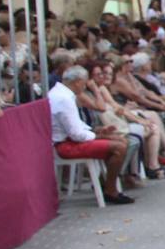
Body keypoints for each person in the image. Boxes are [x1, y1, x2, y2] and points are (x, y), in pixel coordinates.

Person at [50, 66, 134, 205]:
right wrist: (98, 135)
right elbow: (76, 134)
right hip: (64, 145)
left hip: (69, 139)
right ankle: (110, 190)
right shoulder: (64, 98)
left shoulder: (62, 94)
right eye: (84, 83)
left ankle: (107, 184)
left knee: (120, 141)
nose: (84, 87)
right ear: (77, 82)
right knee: (119, 146)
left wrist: (98, 131)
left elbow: (76, 127)